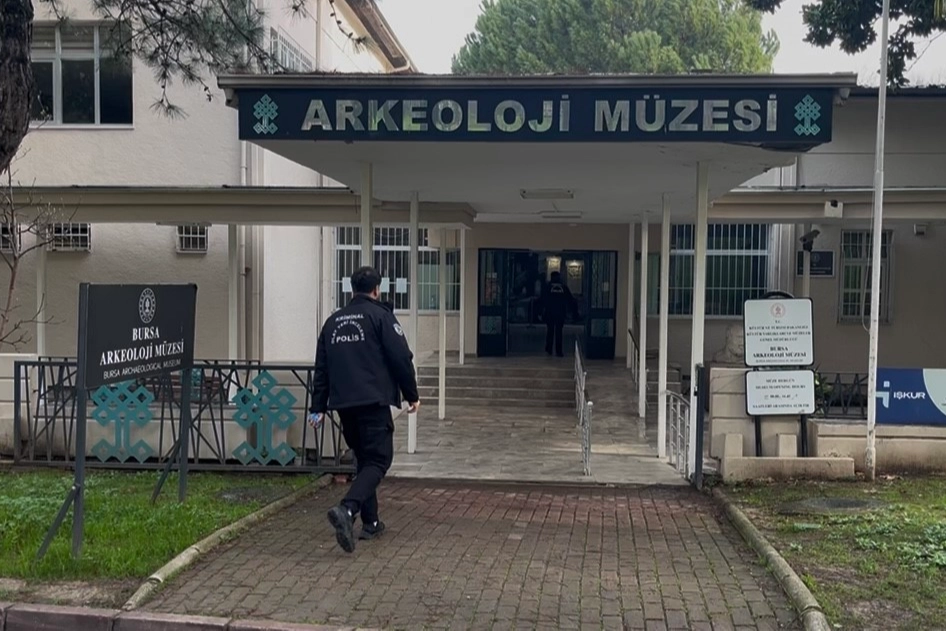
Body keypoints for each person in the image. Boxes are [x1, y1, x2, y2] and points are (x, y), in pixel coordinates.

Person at [309, 266, 419, 553]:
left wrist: (317, 407)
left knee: (364, 460)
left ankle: (371, 523)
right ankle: (347, 509)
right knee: (379, 460)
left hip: (344, 405)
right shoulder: (381, 316)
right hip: (372, 401)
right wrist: (412, 394)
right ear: (376, 290)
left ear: (351, 289)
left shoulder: (333, 322)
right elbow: (400, 357)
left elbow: (321, 369)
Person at [541, 271, 578, 357]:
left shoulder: (548, 287)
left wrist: (542, 310)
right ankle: (559, 351)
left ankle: (549, 348)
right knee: (559, 332)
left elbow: (543, 299)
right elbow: (570, 299)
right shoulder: (563, 287)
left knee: (550, 331)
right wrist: (573, 313)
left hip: (550, 312)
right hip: (560, 312)